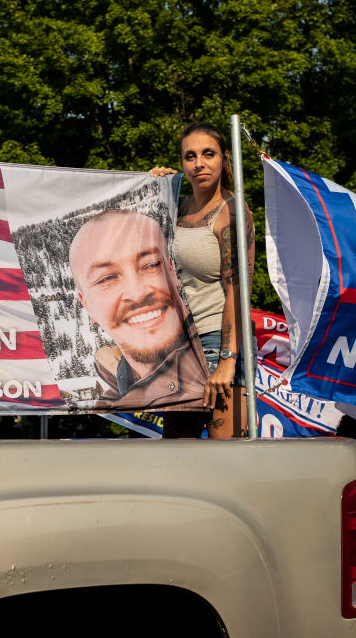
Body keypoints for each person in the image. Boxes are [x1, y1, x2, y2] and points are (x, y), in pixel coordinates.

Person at [150, 122, 255, 439]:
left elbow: (240, 291)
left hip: (218, 344)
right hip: (178, 346)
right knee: (177, 457)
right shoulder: (175, 209)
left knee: (229, 463)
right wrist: (152, 186)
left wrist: (228, 360)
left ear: (224, 157)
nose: (199, 163)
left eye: (208, 154)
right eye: (189, 156)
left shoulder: (233, 212)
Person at [68, 209, 208, 409]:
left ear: (172, 271)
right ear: (87, 306)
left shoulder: (218, 361)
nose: (137, 294)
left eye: (150, 265)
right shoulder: (113, 403)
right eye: (107, 278)